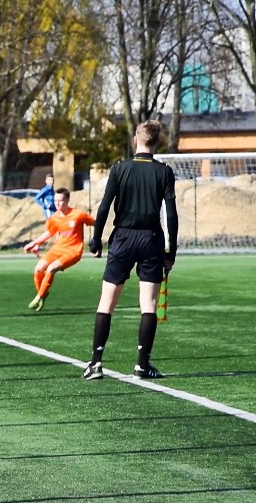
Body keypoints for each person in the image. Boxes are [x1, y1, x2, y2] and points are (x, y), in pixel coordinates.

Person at [84, 120, 178, 380]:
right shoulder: (164, 171)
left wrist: (95, 239)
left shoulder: (119, 168)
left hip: (122, 238)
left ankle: (96, 363)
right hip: (151, 239)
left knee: (107, 302)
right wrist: (172, 251)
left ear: (136, 140)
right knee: (147, 304)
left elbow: (104, 208)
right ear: (157, 143)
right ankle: (141, 365)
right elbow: (171, 214)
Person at [23, 188, 95, 311]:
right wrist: (35, 243)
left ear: (67, 200)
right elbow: (49, 233)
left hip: (73, 251)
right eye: (55, 200)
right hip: (57, 249)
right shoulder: (54, 217)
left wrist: (97, 241)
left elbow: (95, 223)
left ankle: (38, 297)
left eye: (60, 200)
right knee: (38, 270)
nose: (57, 203)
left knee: (51, 269)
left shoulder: (78, 214)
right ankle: (43, 294)